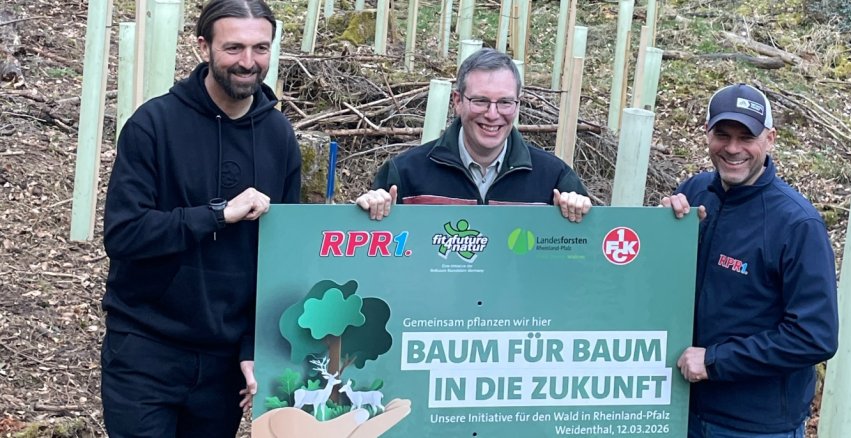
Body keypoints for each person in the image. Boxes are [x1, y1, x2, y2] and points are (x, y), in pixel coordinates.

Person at [100, 0, 301, 436]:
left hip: (223, 362)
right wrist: (218, 215)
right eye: (234, 48)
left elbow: (282, 260)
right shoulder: (153, 125)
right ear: (202, 48)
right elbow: (124, 233)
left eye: (260, 48)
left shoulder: (279, 137)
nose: (248, 62)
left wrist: (254, 347)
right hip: (145, 348)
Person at [662, 83, 838, 437]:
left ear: (770, 139)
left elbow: (815, 336)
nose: (732, 148)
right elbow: (659, 283)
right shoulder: (694, 193)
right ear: (707, 134)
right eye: (722, 135)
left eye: (747, 137)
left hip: (754, 424)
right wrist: (661, 232)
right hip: (681, 407)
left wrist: (715, 361)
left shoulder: (796, 223)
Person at [356, 48, 592, 221]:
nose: (492, 114)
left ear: (518, 105)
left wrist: (579, 214)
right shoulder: (406, 173)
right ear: (458, 101)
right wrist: (371, 211)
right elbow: (378, 260)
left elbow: (583, 260)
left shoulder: (554, 179)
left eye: (505, 102)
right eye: (480, 101)